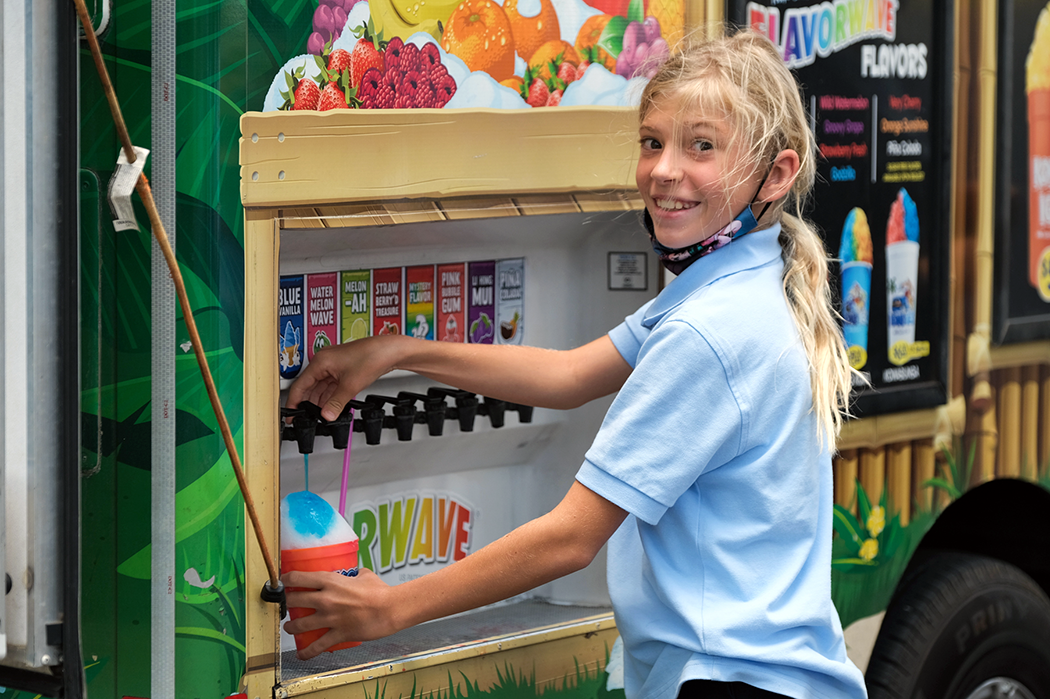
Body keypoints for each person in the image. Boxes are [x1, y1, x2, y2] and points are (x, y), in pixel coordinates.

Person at [282, 29, 868, 699]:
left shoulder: (709, 332)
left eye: (701, 146)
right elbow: (566, 376)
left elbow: (571, 537)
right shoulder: (741, 279)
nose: (664, 170)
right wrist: (396, 350)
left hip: (730, 679)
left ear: (778, 172)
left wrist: (393, 607)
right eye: (653, 141)